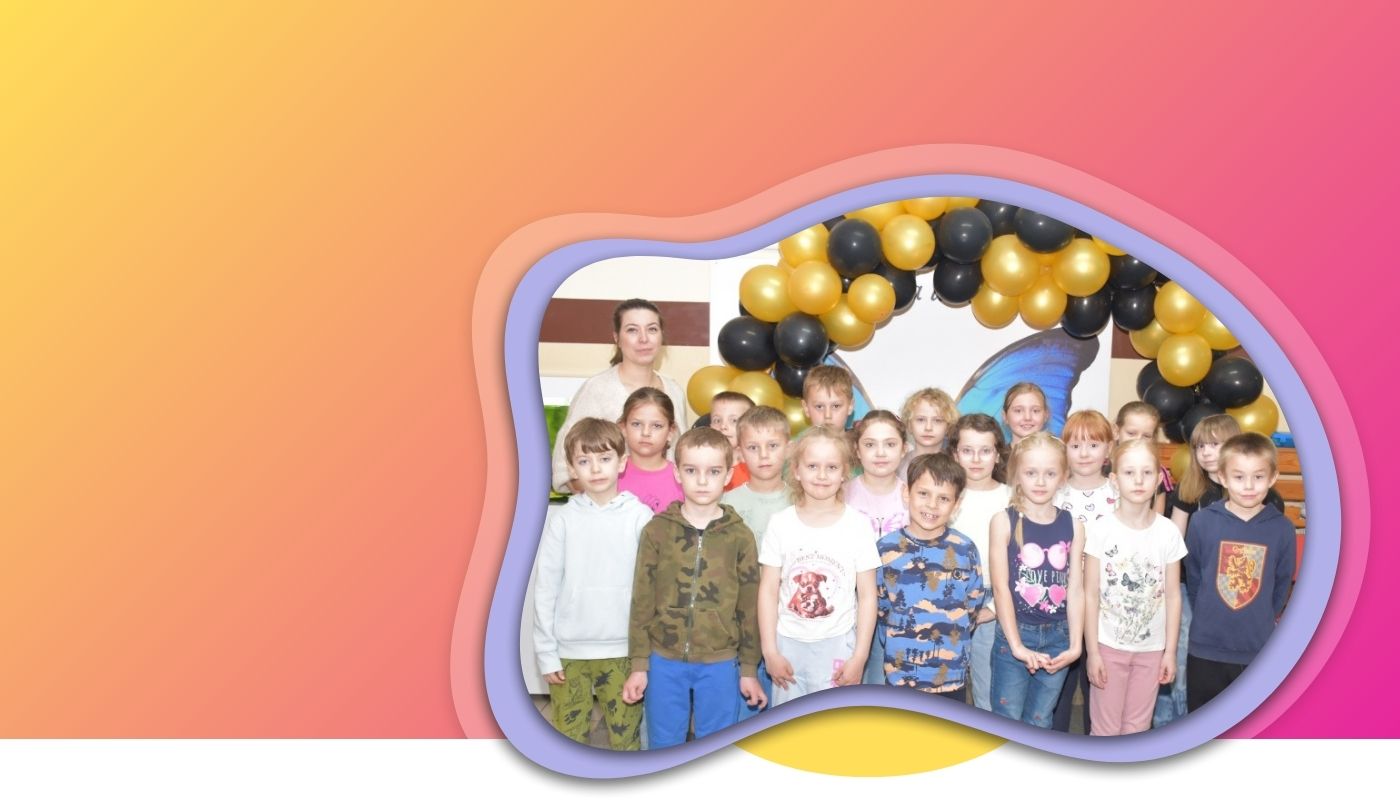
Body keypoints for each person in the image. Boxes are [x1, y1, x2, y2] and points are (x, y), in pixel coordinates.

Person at [621, 427, 764, 747]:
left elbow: (749, 606)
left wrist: (749, 668)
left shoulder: (740, 536)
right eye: (691, 470)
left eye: (713, 471)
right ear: (677, 473)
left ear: (728, 475)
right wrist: (639, 664)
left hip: (720, 662)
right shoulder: (657, 531)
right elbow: (641, 600)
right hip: (663, 659)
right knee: (664, 744)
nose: (702, 481)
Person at [533, 418, 652, 749]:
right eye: (584, 461)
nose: (596, 468)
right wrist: (546, 653)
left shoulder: (640, 517)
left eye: (605, 458)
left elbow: (650, 590)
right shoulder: (563, 520)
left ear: (622, 462)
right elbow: (545, 589)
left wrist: (643, 656)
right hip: (569, 655)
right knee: (569, 740)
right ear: (572, 469)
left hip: (623, 653)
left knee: (625, 740)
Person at [759, 425, 879, 706]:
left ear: (844, 472)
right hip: (787, 645)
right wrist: (770, 651)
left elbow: (868, 596)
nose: (822, 475)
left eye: (831, 467)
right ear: (796, 471)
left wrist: (860, 656)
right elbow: (768, 591)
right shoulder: (780, 524)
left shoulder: (858, 525)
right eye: (812, 466)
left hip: (838, 645)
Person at [1183, 433, 1295, 712]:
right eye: (1238, 477)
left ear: (1272, 478)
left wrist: (1261, 618)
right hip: (1206, 647)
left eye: (1258, 477)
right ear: (1222, 477)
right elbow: (1194, 577)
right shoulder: (1202, 522)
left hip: (1256, 649)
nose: (1248, 486)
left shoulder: (1282, 528)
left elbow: (1282, 585)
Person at [1084, 439, 1186, 735]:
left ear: (1158, 479)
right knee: (1105, 730)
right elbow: (1090, 595)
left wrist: (1169, 652)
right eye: (1129, 473)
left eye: (1147, 472)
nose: (1139, 480)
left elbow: (1173, 596)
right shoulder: (1101, 530)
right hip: (1108, 647)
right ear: (1115, 481)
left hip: (1151, 651)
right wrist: (1093, 652)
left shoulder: (1168, 532)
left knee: (1137, 729)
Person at [989, 432, 1085, 727]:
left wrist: (1075, 645)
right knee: (1007, 720)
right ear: (1017, 475)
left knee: (1041, 721)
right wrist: (1017, 646)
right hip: (1015, 634)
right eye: (1031, 473)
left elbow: (1076, 589)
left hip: (1058, 637)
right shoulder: (1003, 521)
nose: (1040, 482)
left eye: (1050, 473)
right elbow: (1001, 589)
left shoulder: (1074, 525)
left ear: (1064, 477)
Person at [550, 299, 688, 493]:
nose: (643, 339)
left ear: (661, 336)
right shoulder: (597, 389)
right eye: (632, 330)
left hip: (667, 506)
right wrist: (607, 501)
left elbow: (682, 458)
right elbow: (564, 466)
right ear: (617, 338)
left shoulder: (674, 390)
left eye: (652, 329)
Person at [877, 454, 985, 701]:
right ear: (907, 493)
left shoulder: (964, 549)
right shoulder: (885, 549)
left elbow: (972, 604)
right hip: (900, 674)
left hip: (951, 676)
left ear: (956, 504)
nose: (932, 505)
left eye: (943, 498)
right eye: (924, 494)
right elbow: (881, 607)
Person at [723, 404, 793, 720]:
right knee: (744, 708)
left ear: (788, 448)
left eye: (773, 445)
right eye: (753, 447)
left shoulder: (800, 500)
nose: (764, 455)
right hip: (742, 622)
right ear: (739, 453)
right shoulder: (727, 504)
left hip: (788, 620)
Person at [1051, 409, 1118, 732]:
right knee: (1060, 687)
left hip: (1106, 605)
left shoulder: (1118, 493)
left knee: (1099, 685)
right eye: (1075, 446)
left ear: (1108, 449)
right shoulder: (1054, 492)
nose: (1084, 453)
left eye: (1093, 445)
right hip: (1062, 603)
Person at [949, 414, 1011, 711]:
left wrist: (995, 607)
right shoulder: (945, 496)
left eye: (985, 451)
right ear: (954, 453)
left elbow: (1021, 561)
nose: (976, 459)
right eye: (967, 450)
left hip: (994, 601)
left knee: (988, 690)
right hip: (950, 600)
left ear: (997, 454)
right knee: (948, 686)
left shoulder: (1011, 498)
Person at [845, 410, 911, 683]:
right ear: (857, 450)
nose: (880, 453)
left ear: (904, 449)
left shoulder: (914, 495)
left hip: (899, 609)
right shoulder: (842, 493)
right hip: (850, 607)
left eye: (890, 444)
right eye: (870, 444)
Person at [615, 388, 682, 514]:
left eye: (656, 426)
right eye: (636, 424)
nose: (646, 432)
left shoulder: (681, 478)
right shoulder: (610, 475)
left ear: (670, 432)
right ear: (623, 428)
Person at [1114, 401, 1173, 515]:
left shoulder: (1158, 471)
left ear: (1153, 438)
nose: (1138, 440)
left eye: (1146, 436)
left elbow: (1157, 517)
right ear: (1116, 432)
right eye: (1131, 433)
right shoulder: (1102, 467)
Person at [898, 387, 959, 477]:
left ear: (948, 427)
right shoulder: (897, 465)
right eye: (921, 419)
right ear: (909, 425)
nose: (928, 427)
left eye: (937, 420)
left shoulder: (957, 465)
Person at [708, 391, 755, 490]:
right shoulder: (702, 463)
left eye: (734, 420)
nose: (723, 426)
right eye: (717, 420)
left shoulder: (757, 465)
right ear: (710, 426)